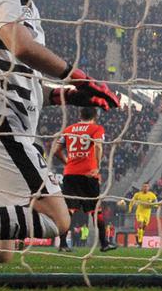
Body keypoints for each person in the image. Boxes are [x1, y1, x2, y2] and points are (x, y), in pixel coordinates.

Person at [0, 0, 119, 261]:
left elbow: (23, 81)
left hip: (7, 120)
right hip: (3, 127)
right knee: (56, 219)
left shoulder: (23, 7)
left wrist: (68, 95)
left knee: (1, 253)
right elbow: (21, 47)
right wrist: (77, 76)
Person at [51, 106, 115, 252]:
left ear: (80, 115)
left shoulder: (68, 129)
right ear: (95, 115)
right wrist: (97, 167)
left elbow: (55, 151)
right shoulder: (96, 129)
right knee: (96, 210)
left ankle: (62, 244)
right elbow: (98, 147)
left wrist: (68, 162)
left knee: (69, 210)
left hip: (70, 175)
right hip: (88, 175)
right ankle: (104, 244)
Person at [128, 182, 158, 247]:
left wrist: (155, 205)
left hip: (147, 213)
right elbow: (132, 201)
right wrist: (130, 209)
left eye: (146, 187)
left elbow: (156, 202)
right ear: (142, 187)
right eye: (144, 186)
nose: (145, 188)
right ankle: (140, 242)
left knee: (143, 228)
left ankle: (137, 237)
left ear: (148, 188)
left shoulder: (152, 195)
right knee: (141, 224)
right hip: (140, 212)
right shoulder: (138, 194)